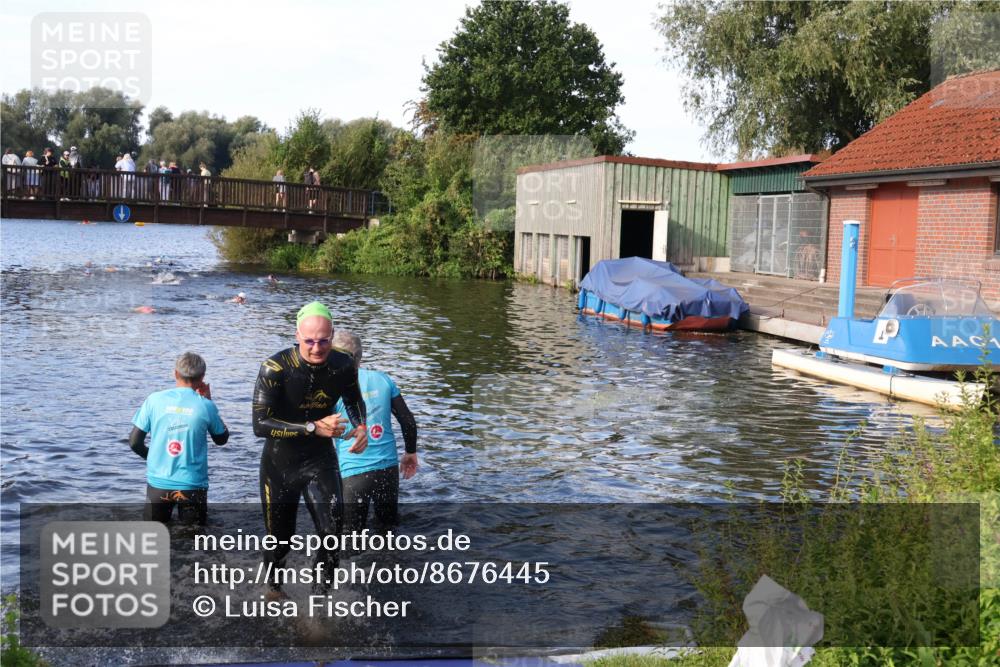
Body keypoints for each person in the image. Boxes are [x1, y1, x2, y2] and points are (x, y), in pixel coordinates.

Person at [252, 301, 367, 598]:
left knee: (332, 536)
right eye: (310, 341)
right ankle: (273, 590)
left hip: (319, 460)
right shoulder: (275, 368)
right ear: (297, 335)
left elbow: (354, 401)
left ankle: (319, 604)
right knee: (280, 541)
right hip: (279, 465)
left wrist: (361, 426)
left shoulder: (342, 364)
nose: (317, 348)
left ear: (332, 335)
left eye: (324, 341)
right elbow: (260, 424)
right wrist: (313, 427)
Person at [330, 330, 418, 537]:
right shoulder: (383, 379)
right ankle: (391, 567)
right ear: (360, 356)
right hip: (387, 470)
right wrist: (410, 453)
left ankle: (350, 570)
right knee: (387, 530)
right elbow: (407, 420)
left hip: (353, 473)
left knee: (349, 538)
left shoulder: (331, 386)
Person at [129, 352, 229, 525]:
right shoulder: (206, 406)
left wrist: (153, 458)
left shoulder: (154, 400)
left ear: (175, 373)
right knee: (194, 541)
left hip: (158, 486)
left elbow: (134, 442)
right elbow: (221, 439)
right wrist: (209, 401)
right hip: (192, 487)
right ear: (202, 377)